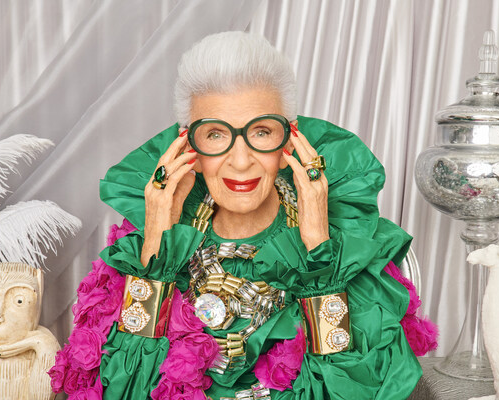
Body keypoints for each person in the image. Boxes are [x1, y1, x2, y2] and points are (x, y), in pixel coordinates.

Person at [49, 31, 432, 400]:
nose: (241, 160)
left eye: (261, 132)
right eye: (216, 134)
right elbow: (120, 391)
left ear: (290, 139)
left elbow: (356, 391)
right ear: (188, 144)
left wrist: (318, 253)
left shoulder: (343, 249)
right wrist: (156, 253)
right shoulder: (147, 245)